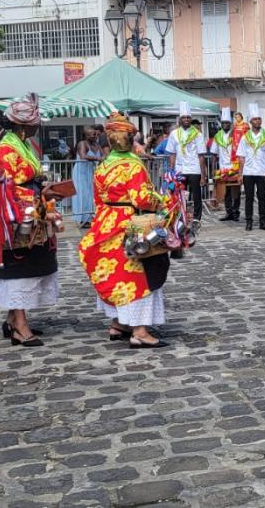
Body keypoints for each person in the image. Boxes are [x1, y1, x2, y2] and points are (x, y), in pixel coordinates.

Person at [78, 112, 172, 349]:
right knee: (138, 275)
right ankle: (139, 331)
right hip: (130, 224)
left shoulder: (103, 165)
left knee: (116, 274)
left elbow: (98, 198)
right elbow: (141, 199)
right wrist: (162, 200)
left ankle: (118, 323)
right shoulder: (133, 165)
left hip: (105, 222)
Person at [0, 94, 61, 348]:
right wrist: (35, 200)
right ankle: (20, 326)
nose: (37, 127)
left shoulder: (23, 145)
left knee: (33, 263)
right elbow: (10, 186)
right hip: (17, 212)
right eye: (35, 123)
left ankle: (13, 319)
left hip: (33, 205)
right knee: (19, 268)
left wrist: (44, 191)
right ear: (24, 126)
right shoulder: (8, 149)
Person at [164, 102, 207, 224]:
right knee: (179, 195)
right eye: (184, 117)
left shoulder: (197, 134)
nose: (186, 119)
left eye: (188, 117)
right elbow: (172, 153)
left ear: (191, 119)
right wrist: (171, 172)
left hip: (194, 169)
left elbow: (201, 156)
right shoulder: (174, 134)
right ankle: (180, 217)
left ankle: (196, 218)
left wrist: (203, 175)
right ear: (180, 119)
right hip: (179, 170)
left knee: (196, 196)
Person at [238, 103, 265, 231]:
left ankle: (263, 222)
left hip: (262, 171)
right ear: (251, 121)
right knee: (248, 198)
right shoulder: (245, 137)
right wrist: (240, 174)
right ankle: (249, 222)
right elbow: (241, 157)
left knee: (262, 197)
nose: (258, 121)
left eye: (259, 119)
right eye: (255, 119)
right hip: (248, 172)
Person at [214, 108, 242, 222]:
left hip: (234, 167)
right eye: (223, 123)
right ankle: (228, 212)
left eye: (227, 123)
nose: (225, 125)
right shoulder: (217, 136)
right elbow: (214, 154)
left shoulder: (236, 134)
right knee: (226, 192)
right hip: (223, 168)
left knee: (235, 191)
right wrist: (214, 169)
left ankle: (236, 212)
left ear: (231, 124)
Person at [72, 126, 103, 228]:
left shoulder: (97, 145)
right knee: (83, 194)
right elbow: (83, 156)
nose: (96, 136)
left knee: (92, 194)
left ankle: (92, 217)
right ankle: (83, 219)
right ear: (87, 135)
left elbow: (104, 155)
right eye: (93, 134)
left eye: (96, 134)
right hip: (81, 172)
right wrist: (97, 158)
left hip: (92, 172)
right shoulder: (82, 144)